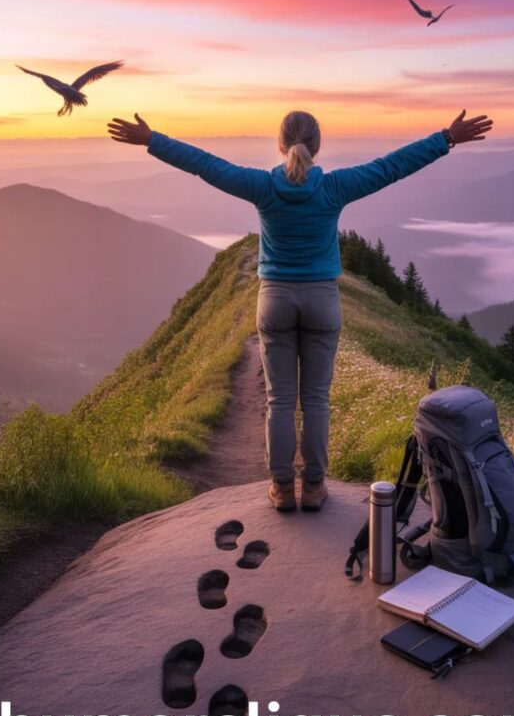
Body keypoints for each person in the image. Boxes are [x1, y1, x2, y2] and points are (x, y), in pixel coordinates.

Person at [107, 109, 493, 512]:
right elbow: (391, 167)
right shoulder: (334, 188)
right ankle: (312, 487)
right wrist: (446, 138)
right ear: (317, 145)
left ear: (280, 144)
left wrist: (152, 140)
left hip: (274, 299)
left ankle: (280, 487)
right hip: (321, 301)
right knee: (316, 400)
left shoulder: (262, 186)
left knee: (279, 401)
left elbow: (207, 166)